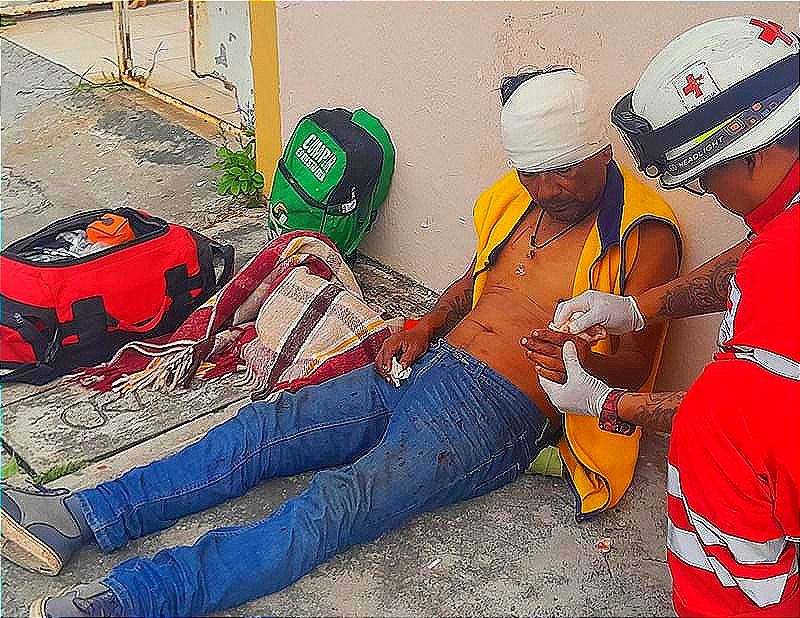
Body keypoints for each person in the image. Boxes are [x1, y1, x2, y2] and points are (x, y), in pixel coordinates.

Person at [2, 68, 681, 618]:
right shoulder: (518, 195)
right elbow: (480, 274)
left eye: (561, 170)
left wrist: (576, 358)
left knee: (336, 503)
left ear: (601, 149)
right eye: (533, 171)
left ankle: (134, 599)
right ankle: (78, 514)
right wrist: (423, 325)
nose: (547, 188)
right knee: (264, 428)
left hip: (498, 412)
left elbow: (632, 365)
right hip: (428, 365)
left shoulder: (646, 234)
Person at [525, 17, 799, 618]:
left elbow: (733, 426)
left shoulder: (782, 292)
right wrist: (633, 308)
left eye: (705, 178)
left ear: (751, 156)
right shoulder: (783, 223)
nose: (708, 194)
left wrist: (607, 405)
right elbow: (753, 255)